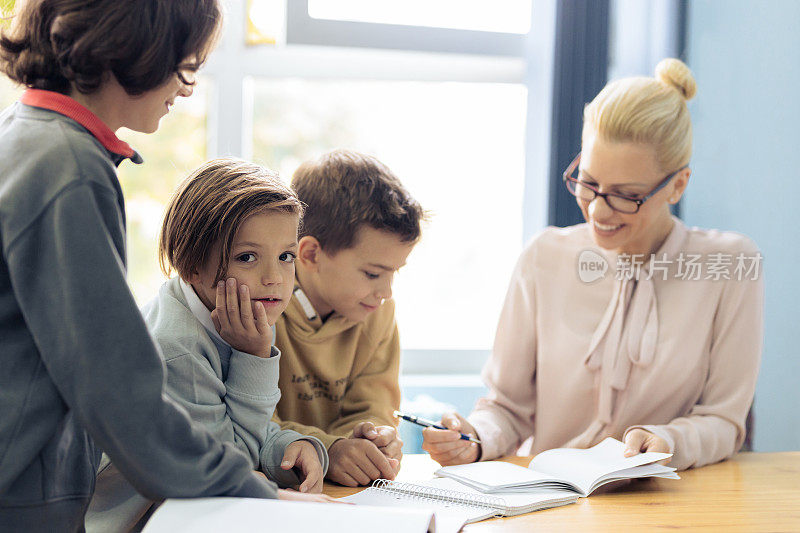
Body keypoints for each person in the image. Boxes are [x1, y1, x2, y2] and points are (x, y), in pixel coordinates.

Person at [0, 1, 277, 529]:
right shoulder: (66, 164)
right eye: (184, 65)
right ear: (132, 47)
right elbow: (115, 387)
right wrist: (252, 494)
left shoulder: (24, 132)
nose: (188, 88)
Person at [422, 58, 763, 472]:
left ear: (678, 184)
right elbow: (506, 409)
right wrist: (474, 438)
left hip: (666, 503)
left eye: (626, 194)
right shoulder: (543, 257)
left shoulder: (730, 266)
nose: (598, 209)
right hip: (546, 503)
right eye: (588, 182)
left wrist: (669, 441)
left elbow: (724, 421)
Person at [86, 159, 337, 531]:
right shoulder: (179, 347)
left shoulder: (223, 310)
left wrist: (288, 446)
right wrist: (255, 357)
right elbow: (228, 463)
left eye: (285, 256)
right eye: (247, 257)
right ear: (192, 266)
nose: (273, 279)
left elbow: (225, 422)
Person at [273, 149, 426, 486]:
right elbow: (246, 424)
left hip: (339, 497)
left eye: (394, 273)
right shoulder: (262, 306)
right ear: (311, 254)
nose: (386, 291)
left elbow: (374, 407)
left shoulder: (377, 311)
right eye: (373, 274)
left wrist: (375, 441)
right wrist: (331, 449)